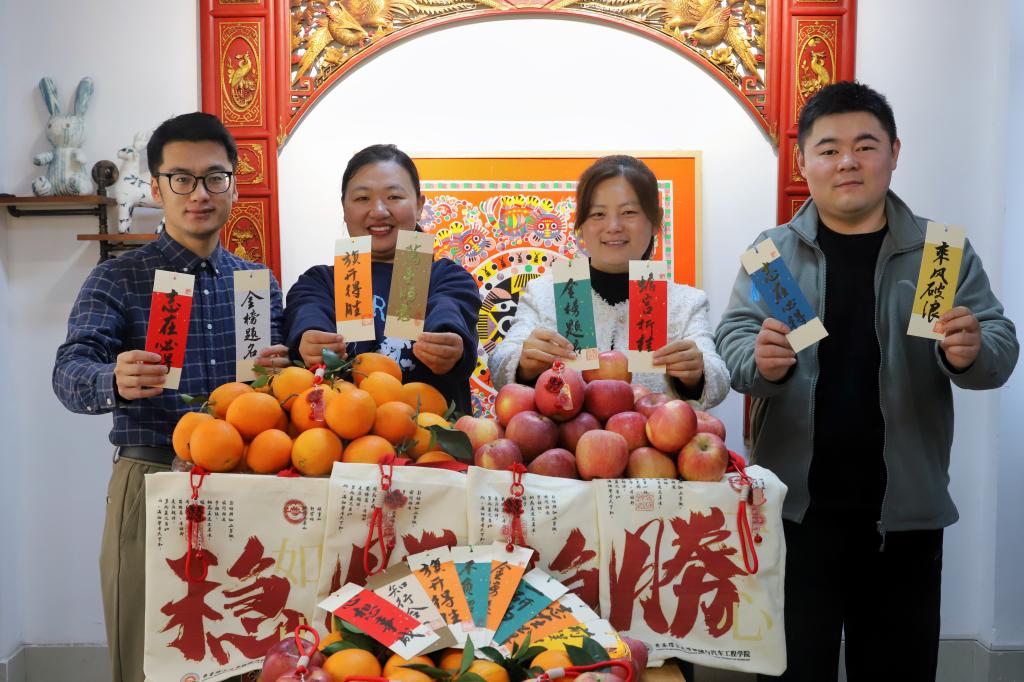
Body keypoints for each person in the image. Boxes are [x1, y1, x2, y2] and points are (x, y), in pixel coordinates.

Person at [715, 81, 1019, 681]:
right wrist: (759, 360)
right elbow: (734, 341)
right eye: (828, 149)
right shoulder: (774, 252)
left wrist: (971, 352)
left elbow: (999, 343)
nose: (847, 162)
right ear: (803, 160)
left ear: (894, 152)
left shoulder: (938, 253)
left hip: (904, 518)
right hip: (795, 515)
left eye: (865, 145)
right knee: (794, 670)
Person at [52, 112, 289, 682]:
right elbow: (68, 372)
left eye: (214, 177)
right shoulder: (118, 278)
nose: (199, 193)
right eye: (181, 179)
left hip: (249, 484)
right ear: (157, 188)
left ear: (233, 185)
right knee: (148, 655)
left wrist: (286, 375)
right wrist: (112, 378)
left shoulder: (257, 284)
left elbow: (284, 390)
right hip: (152, 479)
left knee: (249, 656)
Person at [488, 154, 729, 409]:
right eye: (598, 214)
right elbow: (501, 364)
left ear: (655, 220)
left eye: (629, 212)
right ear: (581, 224)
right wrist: (523, 364)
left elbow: (718, 378)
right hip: (563, 434)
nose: (613, 226)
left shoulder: (687, 302)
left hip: (654, 433)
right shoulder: (542, 293)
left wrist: (697, 374)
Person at [284, 144, 480, 414]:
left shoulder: (449, 278)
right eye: (362, 198)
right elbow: (308, 311)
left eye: (394, 197)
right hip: (341, 435)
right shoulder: (318, 282)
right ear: (344, 208)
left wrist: (447, 343)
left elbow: (449, 309)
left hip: (430, 436)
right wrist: (309, 340)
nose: (378, 211)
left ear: (419, 205)